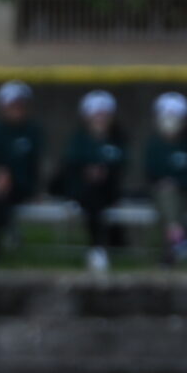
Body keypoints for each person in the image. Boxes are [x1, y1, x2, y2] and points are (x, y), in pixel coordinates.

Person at [51, 89, 128, 276]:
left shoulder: (118, 139)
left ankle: (98, 247)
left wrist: (103, 172)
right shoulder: (78, 140)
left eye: (104, 114)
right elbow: (69, 165)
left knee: (93, 195)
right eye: (96, 114)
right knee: (87, 192)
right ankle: (98, 247)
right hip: (84, 188)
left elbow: (121, 166)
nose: (100, 118)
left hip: (107, 190)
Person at [142, 92, 187, 265]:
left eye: (175, 117)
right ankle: (178, 242)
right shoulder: (154, 146)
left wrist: (177, 182)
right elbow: (150, 173)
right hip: (161, 195)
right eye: (166, 117)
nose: (170, 122)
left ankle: (172, 250)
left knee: (171, 204)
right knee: (168, 198)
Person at [0, 81, 45, 263]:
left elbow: (33, 165)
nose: (17, 109)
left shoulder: (33, 132)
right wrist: (0, 175)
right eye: (12, 104)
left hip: (21, 184)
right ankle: (1, 237)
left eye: (20, 104)